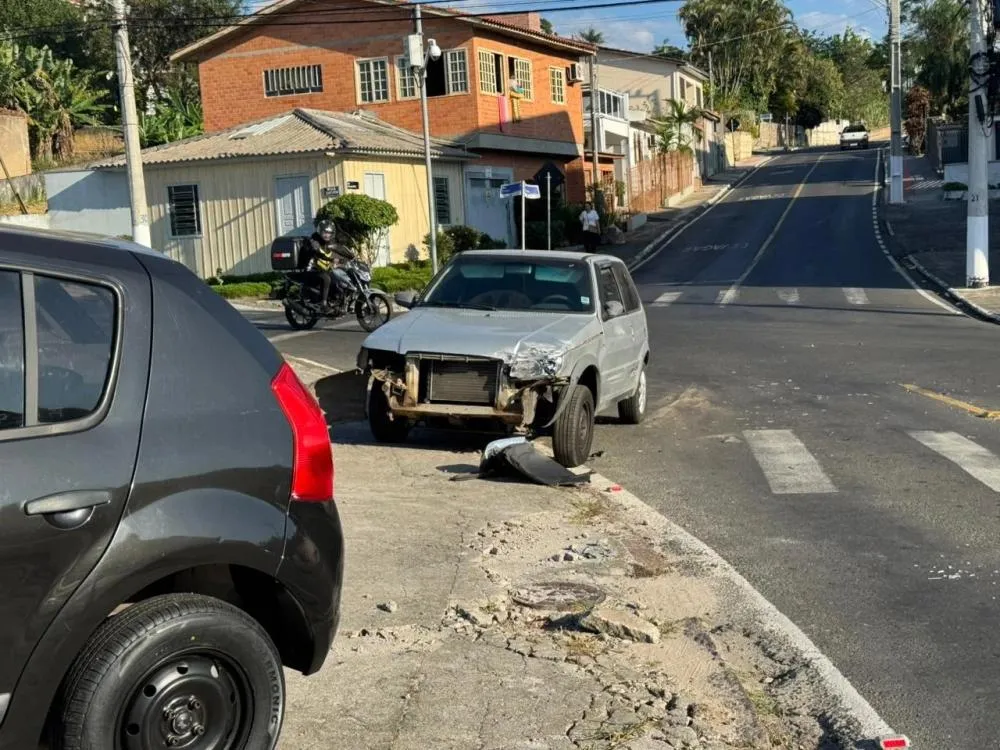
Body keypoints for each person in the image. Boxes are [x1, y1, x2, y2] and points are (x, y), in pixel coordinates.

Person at [309, 219, 356, 310]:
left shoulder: (330, 242)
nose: (327, 235)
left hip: (325, 268)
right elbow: (319, 252)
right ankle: (323, 303)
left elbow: (339, 248)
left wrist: (352, 256)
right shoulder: (314, 241)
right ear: (320, 231)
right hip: (313, 269)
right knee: (326, 278)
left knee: (339, 278)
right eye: (325, 232)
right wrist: (332, 259)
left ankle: (338, 301)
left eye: (329, 233)